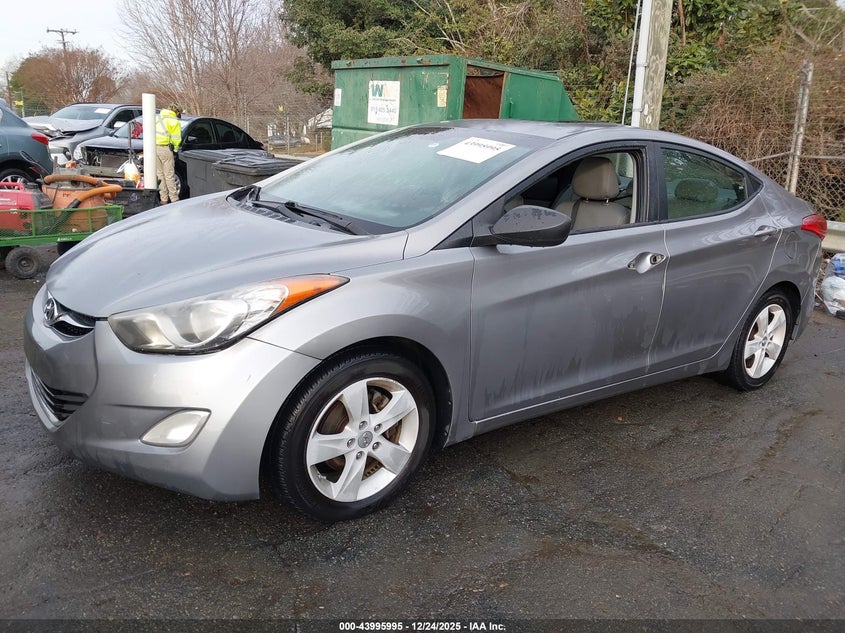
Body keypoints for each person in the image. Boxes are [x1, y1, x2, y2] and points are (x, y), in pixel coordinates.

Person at [155, 104, 183, 204]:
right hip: (165, 149)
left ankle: (163, 199)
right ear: (177, 112)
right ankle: (174, 199)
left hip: (153, 149)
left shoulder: (157, 117)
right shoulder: (174, 121)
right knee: (169, 175)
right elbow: (176, 139)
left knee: (160, 175)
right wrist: (175, 150)